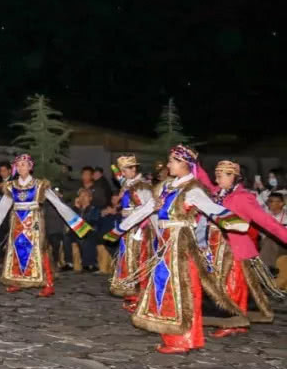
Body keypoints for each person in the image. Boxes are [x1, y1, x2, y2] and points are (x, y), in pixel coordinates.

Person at [105, 145, 250, 354]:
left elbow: (213, 209)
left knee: (182, 290)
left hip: (180, 245)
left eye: (173, 161)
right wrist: (120, 229)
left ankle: (183, 340)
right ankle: (175, 336)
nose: (168, 164)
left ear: (185, 164)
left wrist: (236, 224)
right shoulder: (166, 187)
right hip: (164, 244)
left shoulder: (193, 189)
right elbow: (147, 210)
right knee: (166, 289)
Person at [190, 159, 287, 336]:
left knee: (233, 285)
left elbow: (267, 223)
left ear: (233, 177)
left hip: (233, 248)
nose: (217, 179)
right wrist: (193, 162)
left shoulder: (243, 198)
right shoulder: (217, 194)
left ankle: (233, 322)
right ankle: (234, 320)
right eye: (217, 175)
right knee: (222, 285)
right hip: (214, 247)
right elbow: (203, 181)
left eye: (221, 176)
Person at [0, 154, 92, 297]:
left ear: (30, 167)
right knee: (17, 251)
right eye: (18, 165)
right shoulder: (11, 186)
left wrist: (76, 223)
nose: (20, 168)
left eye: (23, 165)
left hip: (34, 223)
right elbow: (2, 208)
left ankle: (49, 283)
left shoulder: (39, 184)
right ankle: (17, 280)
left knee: (40, 250)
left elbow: (57, 203)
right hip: (17, 222)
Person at [108, 155, 154, 311]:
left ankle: (138, 296)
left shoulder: (142, 186)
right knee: (127, 258)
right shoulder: (128, 184)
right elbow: (118, 177)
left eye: (126, 170)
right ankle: (130, 293)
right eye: (122, 171)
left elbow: (148, 207)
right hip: (127, 226)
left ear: (134, 169)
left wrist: (141, 227)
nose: (123, 173)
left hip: (137, 227)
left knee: (137, 258)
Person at [259, 192, 287, 270]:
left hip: (283, 245)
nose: (269, 204)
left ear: (281, 203)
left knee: (272, 239)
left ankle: (264, 269)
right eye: (268, 201)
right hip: (265, 243)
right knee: (270, 239)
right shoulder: (265, 215)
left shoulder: (286, 217)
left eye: (271, 201)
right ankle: (267, 268)